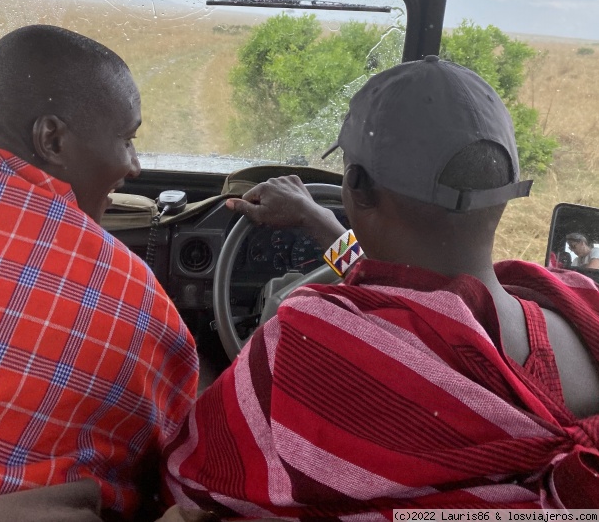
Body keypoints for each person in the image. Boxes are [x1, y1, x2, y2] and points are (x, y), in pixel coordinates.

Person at [163, 56, 599, 513]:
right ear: (507, 189)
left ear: (356, 186)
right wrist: (320, 222)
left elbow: (193, 477)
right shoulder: (577, 304)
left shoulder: (308, 344)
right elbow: (419, 296)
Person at [0, 26, 198, 518]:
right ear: (51, 139)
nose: (135, 166)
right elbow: (172, 465)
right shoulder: (133, 297)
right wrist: (331, 235)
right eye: (128, 139)